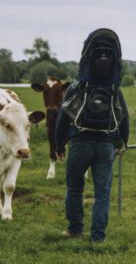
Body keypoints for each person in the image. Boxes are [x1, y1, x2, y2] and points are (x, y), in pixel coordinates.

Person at [55, 28, 129, 243]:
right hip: (106, 145)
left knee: (75, 187)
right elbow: (123, 117)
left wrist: (59, 145)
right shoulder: (115, 89)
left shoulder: (78, 87)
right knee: (102, 193)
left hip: (80, 141)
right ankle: (98, 237)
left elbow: (62, 117)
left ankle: (75, 229)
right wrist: (122, 142)